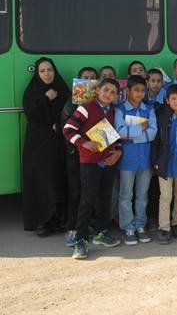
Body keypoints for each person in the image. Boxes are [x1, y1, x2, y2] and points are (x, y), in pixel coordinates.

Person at [63, 78, 123, 260]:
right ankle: (81, 240)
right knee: (87, 199)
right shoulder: (86, 108)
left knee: (105, 197)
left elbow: (116, 135)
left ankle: (101, 232)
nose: (109, 94)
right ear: (98, 90)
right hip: (89, 161)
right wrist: (84, 142)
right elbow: (68, 129)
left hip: (108, 162)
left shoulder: (113, 110)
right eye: (106, 90)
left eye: (113, 92)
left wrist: (118, 152)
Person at [22, 57, 71, 236]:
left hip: (58, 143)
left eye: (49, 70)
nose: (47, 74)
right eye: (42, 71)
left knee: (58, 179)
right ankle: (42, 222)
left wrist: (58, 124)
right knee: (43, 181)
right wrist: (46, 98)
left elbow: (68, 112)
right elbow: (31, 112)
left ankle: (58, 219)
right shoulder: (33, 91)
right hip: (39, 145)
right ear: (37, 73)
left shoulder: (62, 88)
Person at [115, 75, 158, 245]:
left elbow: (153, 133)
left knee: (142, 194)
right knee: (126, 195)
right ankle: (128, 227)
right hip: (127, 159)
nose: (140, 93)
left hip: (145, 159)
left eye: (142, 90)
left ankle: (141, 225)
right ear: (128, 91)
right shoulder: (120, 110)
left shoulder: (149, 109)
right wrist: (140, 129)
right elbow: (119, 132)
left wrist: (131, 135)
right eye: (136, 90)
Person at [61, 66, 98, 246]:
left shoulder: (100, 104)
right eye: (85, 77)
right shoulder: (71, 104)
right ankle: (73, 228)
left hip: (93, 156)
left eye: (92, 78)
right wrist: (82, 144)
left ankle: (85, 225)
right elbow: (67, 130)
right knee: (76, 192)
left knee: (89, 192)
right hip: (76, 155)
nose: (89, 81)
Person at [151, 84, 177, 244]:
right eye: (173, 98)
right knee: (165, 197)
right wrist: (155, 161)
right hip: (165, 163)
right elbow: (155, 142)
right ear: (167, 100)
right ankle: (164, 227)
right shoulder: (161, 118)